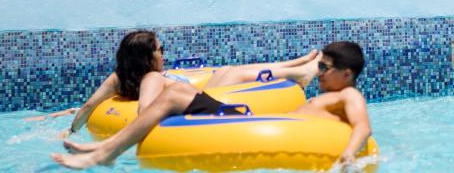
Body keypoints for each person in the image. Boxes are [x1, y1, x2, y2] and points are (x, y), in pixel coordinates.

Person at [51, 41, 372, 170]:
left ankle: (107, 151)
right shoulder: (330, 95)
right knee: (177, 91)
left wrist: (347, 155)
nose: (318, 73)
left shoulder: (349, 96)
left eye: (323, 68)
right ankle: (106, 150)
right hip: (247, 122)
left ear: (346, 74)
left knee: (175, 93)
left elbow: (362, 126)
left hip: (241, 123)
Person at [56, 30, 320, 141]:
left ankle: (296, 64)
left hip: (194, 91)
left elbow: (91, 104)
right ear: (148, 58)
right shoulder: (152, 79)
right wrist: (72, 129)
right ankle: (299, 72)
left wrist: (72, 128)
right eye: (161, 50)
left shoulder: (120, 77)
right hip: (198, 98)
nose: (164, 54)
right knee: (231, 72)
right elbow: (97, 105)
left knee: (231, 70)